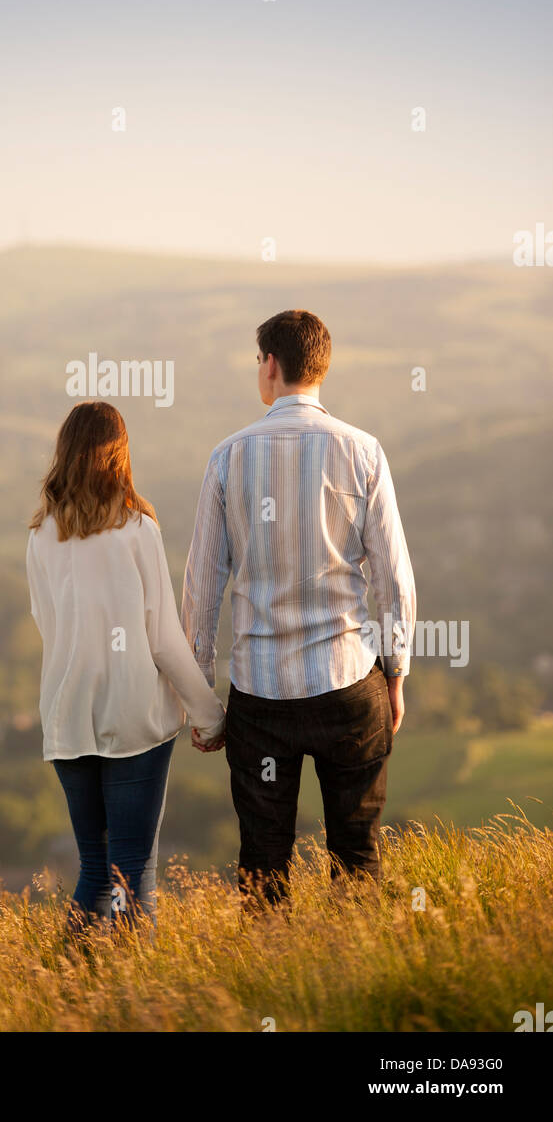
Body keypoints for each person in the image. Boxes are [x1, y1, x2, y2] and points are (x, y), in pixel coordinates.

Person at [182, 309, 416, 907]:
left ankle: (268, 987)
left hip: (261, 698)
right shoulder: (364, 452)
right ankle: (352, 984)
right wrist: (395, 672)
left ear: (271, 365)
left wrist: (201, 697)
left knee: (262, 868)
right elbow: (392, 576)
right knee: (358, 856)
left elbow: (202, 586)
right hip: (347, 683)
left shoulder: (227, 458)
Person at [27, 401, 225, 937]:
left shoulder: (41, 534)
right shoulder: (137, 528)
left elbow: (48, 625)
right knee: (134, 868)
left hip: (67, 717)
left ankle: (72, 984)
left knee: (94, 868)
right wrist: (209, 716)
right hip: (133, 715)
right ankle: (138, 991)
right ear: (118, 454)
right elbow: (162, 635)